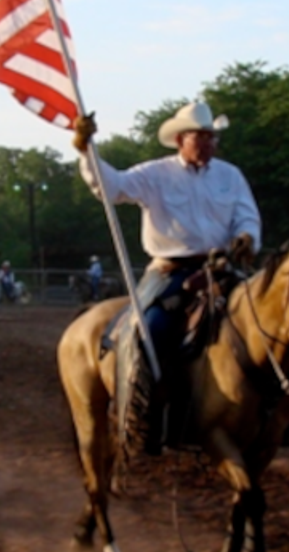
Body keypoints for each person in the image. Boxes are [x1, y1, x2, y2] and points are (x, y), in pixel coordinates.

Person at [73, 101, 261, 448]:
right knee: (150, 330)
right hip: (170, 271)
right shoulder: (155, 174)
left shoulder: (230, 176)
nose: (208, 144)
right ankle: (139, 411)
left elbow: (247, 215)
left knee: (264, 322)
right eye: (200, 137)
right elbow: (111, 187)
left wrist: (247, 236)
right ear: (180, 140)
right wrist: (86, 151)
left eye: (212, 137)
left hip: (221, 267)